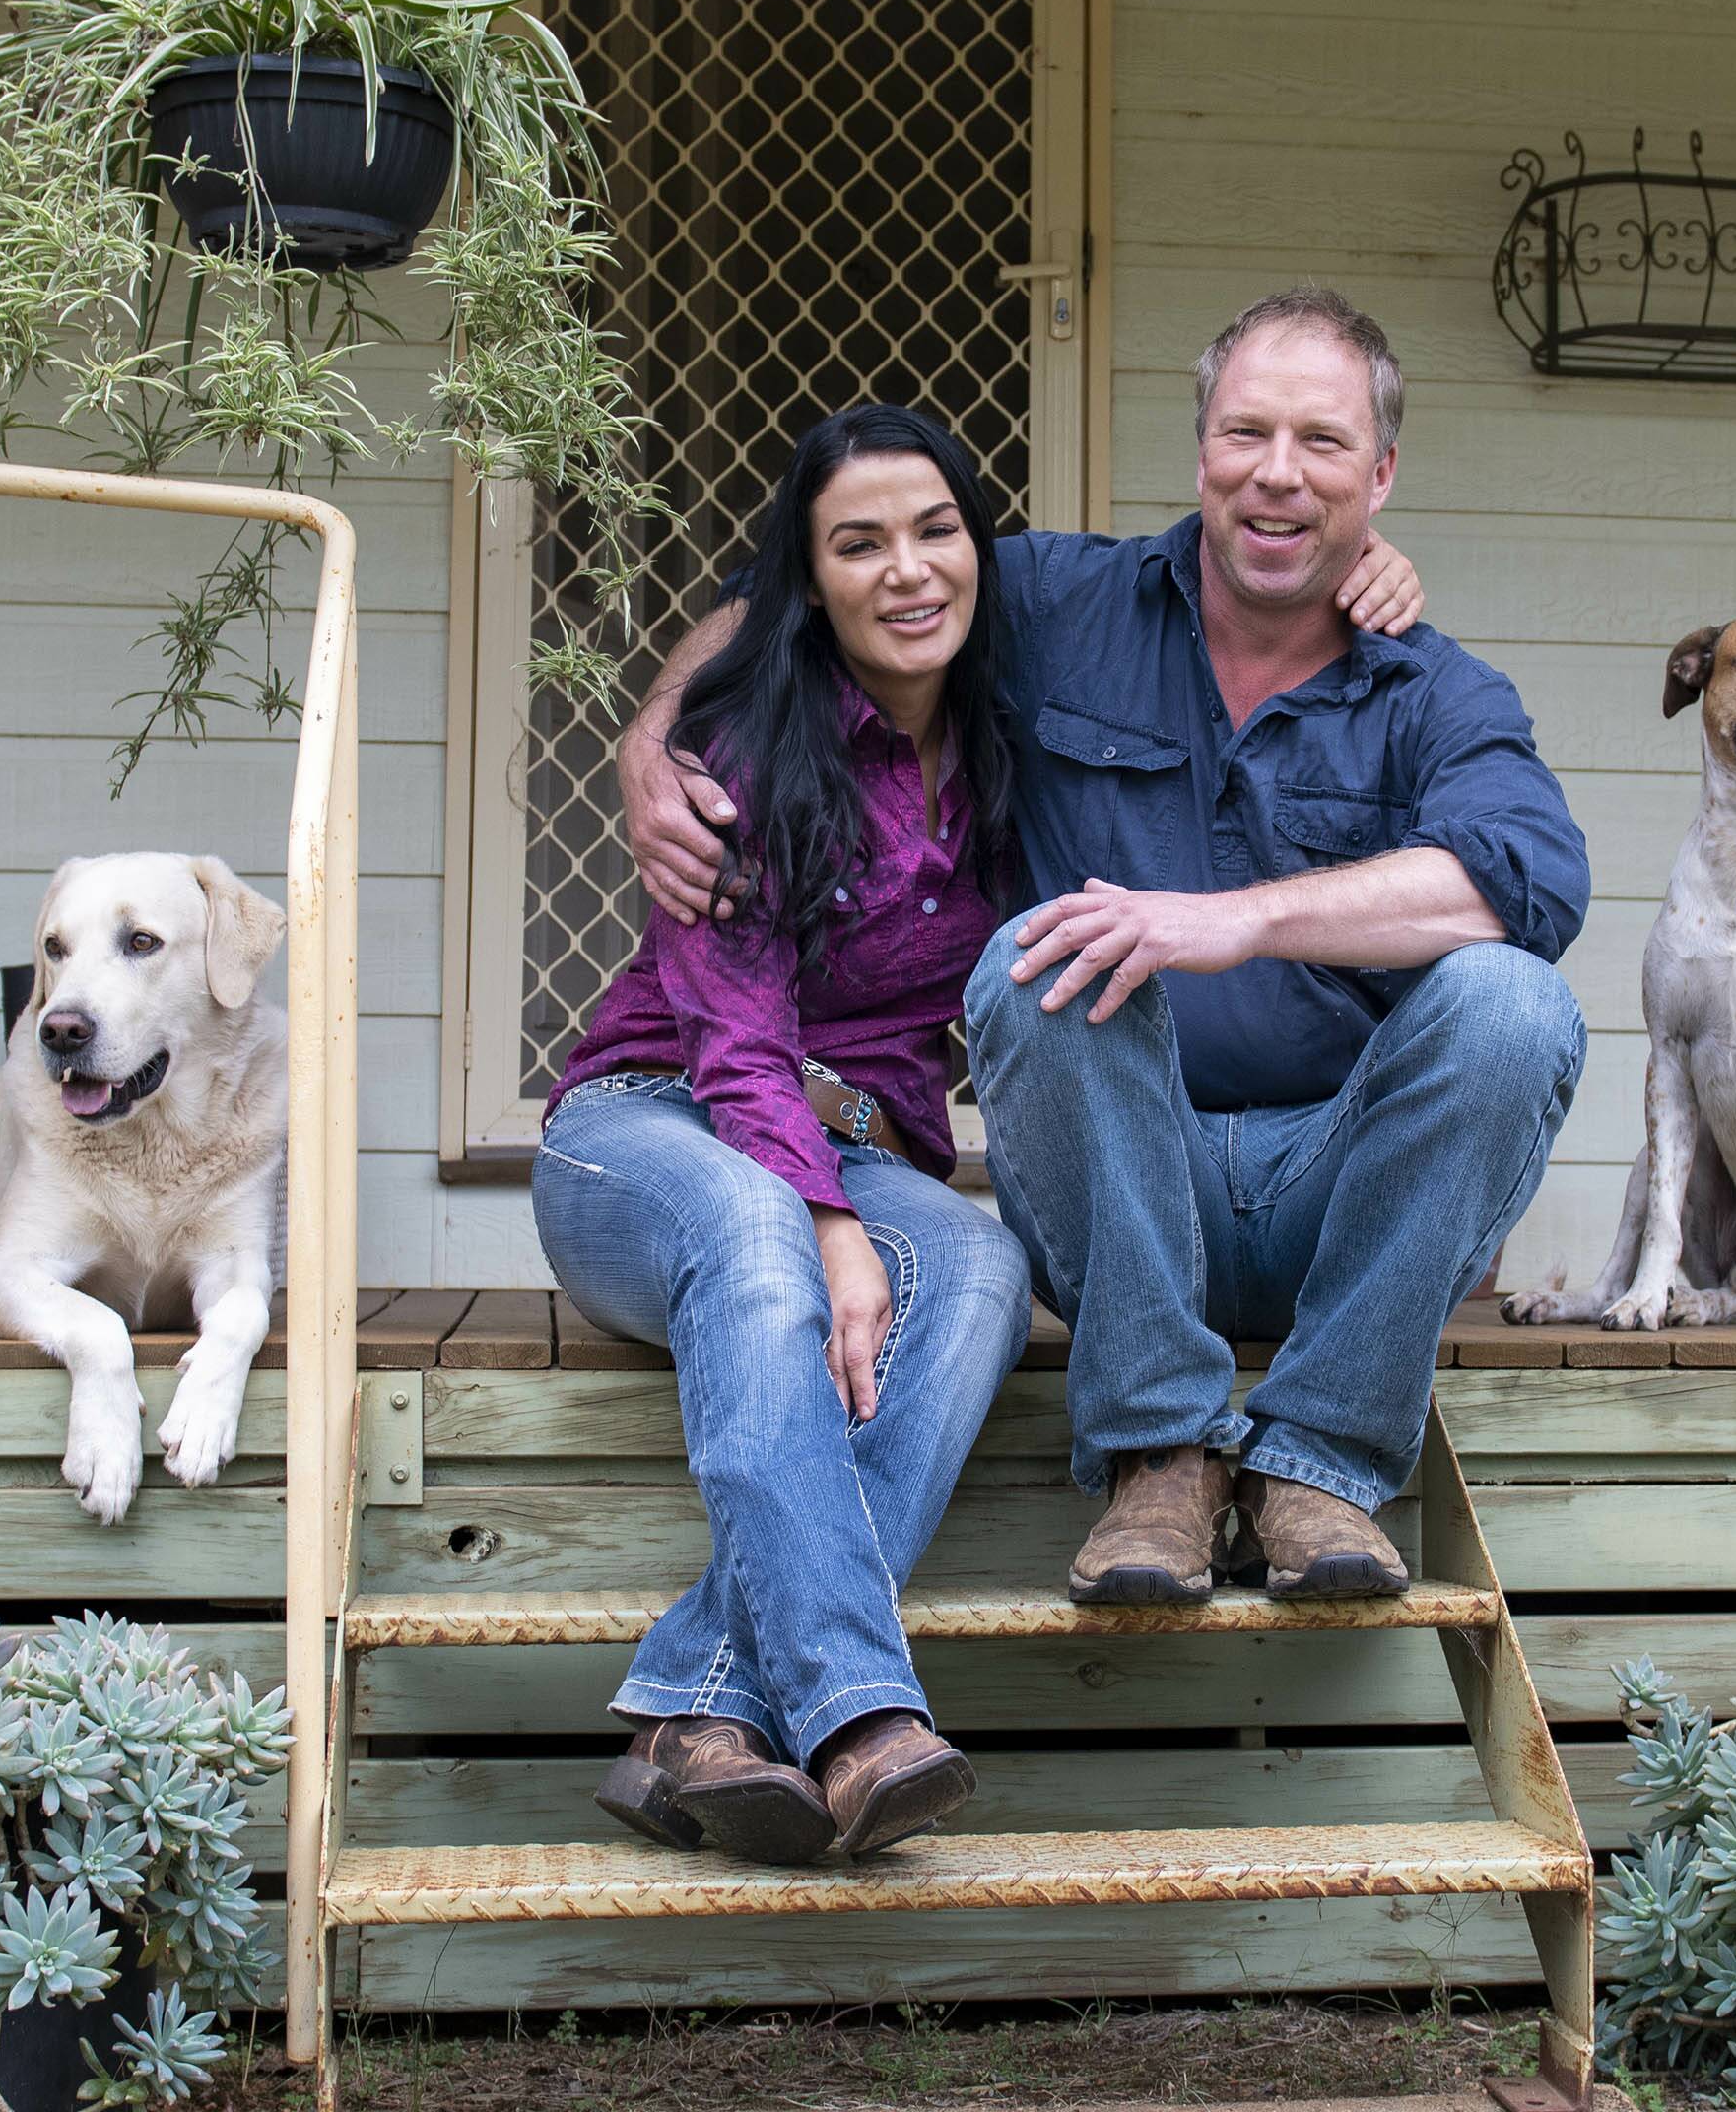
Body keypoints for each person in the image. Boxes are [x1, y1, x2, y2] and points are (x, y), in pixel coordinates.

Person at [620, 289, 1587, 1620]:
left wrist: (1238, 917)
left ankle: (1319, 1463)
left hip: (1340, 1196)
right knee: (1038, 950)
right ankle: (1159, 1455)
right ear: (1199, 453)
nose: (1277, 473)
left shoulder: (1437, 691)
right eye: (1247, 432)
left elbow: (1530, 879)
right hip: (1122, 1198)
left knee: (1513, 1003)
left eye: (1321, 441)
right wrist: (653, 735)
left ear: (1383, 475)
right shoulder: (1061, 606)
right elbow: (801, 597)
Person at [533, 403, 1035, 1864]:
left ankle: (702, 1706)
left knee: (982, 1272)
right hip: (648, 1127)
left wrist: (1371, 564)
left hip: (862, 1147)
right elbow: (738, 1043)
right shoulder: (741, 750)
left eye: (935, 531)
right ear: (807, 584)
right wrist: (828, 1225)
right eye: (858, 544)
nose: (908, 569)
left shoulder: (1011, 749)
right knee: (762, 1233)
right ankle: (860, 1717)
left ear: (977, 548)